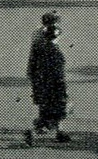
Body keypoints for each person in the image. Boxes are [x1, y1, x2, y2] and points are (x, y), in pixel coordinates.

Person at [26, 12, 71, 145]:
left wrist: (31, 73)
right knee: (58, 108)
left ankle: (57, 132)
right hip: (53, 83)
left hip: (40, 81)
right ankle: (40, 132)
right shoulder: (53, 51)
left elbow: (32, 61)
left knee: (45, 108)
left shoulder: (38, 42)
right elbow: (58, 72)